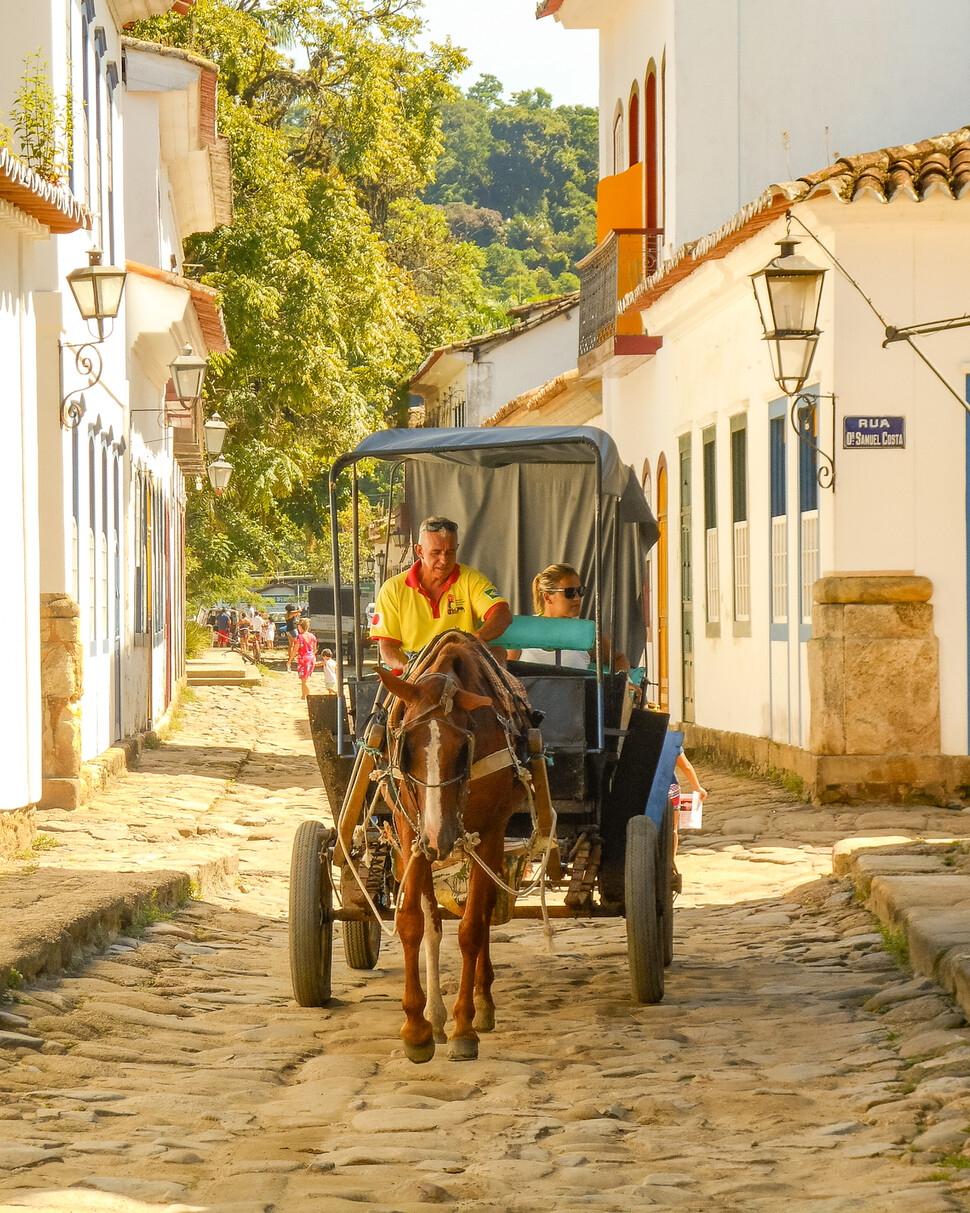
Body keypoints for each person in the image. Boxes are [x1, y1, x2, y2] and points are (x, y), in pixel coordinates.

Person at [370, 516, 512, 673]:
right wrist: (410, 669)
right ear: (419, 551)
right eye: (436, 553)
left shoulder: (471, 579)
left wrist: (477, 638)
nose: (444, 560)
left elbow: (502, 614)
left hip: (462, 667)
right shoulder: (392, 589)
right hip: (414, 670)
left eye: (450, 552)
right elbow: (388, 647)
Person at [508, 563, 630, 672]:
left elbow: (619, 658)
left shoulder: (586, 633)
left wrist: (625, 682)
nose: (577, 598)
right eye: (569, 592)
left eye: (580, 591)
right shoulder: (523, 633)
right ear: (547, 597)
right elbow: (505, 673)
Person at [295, 618, 317, 699]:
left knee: (304, 680)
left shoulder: (299, 637)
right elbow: (314, 650)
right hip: (311, 658)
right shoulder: (313, 636)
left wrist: (290, 660)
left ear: (301, 627)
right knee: (305, 678)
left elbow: (295, 649)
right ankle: (303, 695)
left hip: (303, 658)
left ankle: (308, 695)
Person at [284, 603, 301, 671]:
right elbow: (300, 610)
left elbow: (295, 616)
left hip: (288, 629)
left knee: (290, 645)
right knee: (297, 643)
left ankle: (290, 656)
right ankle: (295, 655)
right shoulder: (291, 613)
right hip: (293, 630)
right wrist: (299, 607)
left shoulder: (286, 614)